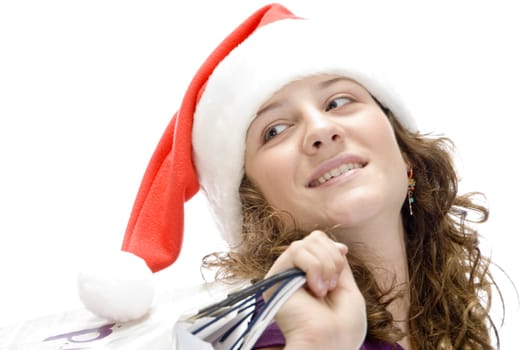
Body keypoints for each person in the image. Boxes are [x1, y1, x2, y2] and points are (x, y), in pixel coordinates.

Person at [78, 3, 503, 349]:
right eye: (275, 131)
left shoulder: (459, 329)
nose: (320, 130)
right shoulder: (267, 340)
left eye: (338, 101)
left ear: (406, 155)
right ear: (256, 209)